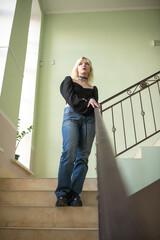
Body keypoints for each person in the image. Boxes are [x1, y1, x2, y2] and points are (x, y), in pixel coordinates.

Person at [55, 57, 99, 207]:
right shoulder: (69, 81)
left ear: (90, 69)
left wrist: (90, 105)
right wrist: (86, 103)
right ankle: (62, 193)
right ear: (77, 67)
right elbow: (71, 99)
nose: (84, 65)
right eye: (81, 63)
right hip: (71, 117)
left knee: (83, 157)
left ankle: (74, 194)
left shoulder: (93, 89)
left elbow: (94, 108)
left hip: (89, 121)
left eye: (87, 64)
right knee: (69, 153)